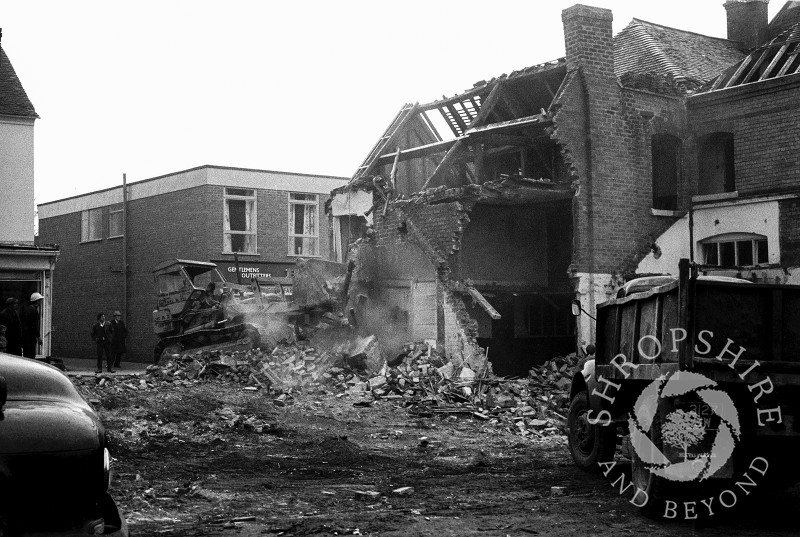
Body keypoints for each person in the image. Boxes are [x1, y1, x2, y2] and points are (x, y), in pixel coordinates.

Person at [21, 292, 44, 359]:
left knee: (26, 355)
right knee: (31, 355)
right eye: (40, 300)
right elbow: (34, 325)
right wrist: (38, 337)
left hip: (25, 336)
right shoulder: (34, 311)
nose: (41, 302)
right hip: (30, 337)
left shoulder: (27, 309)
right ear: (37, 301)